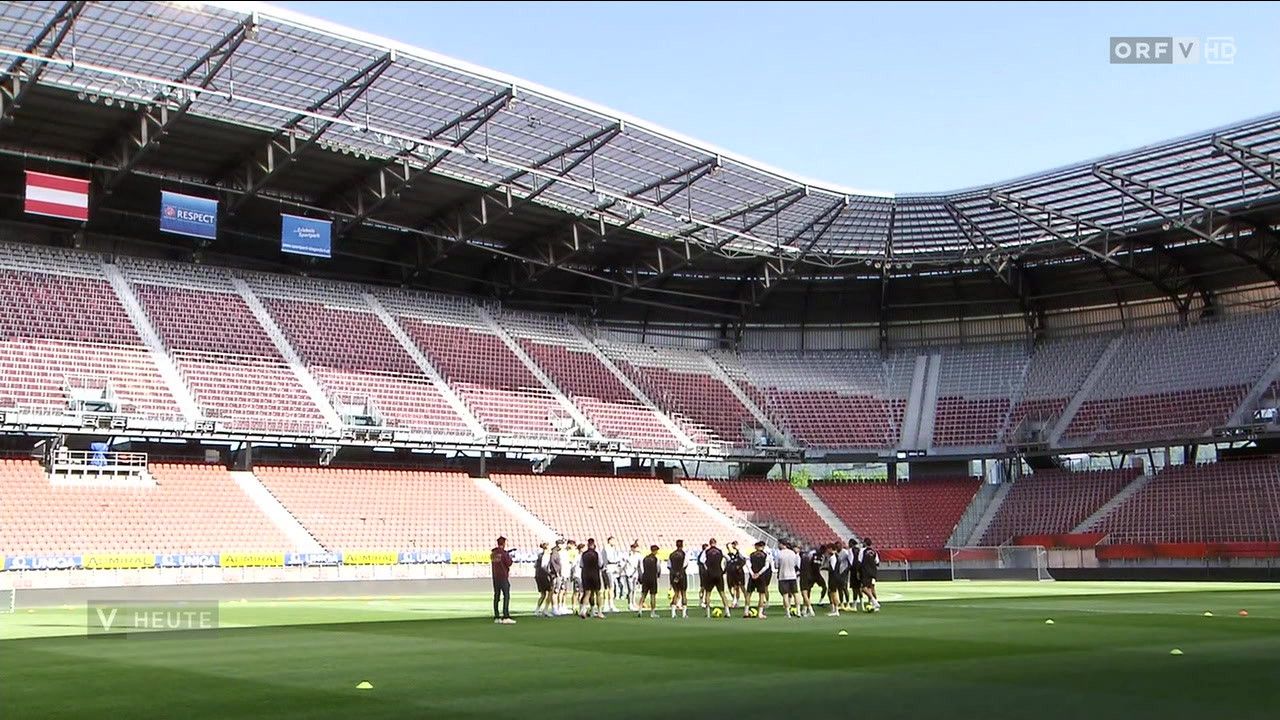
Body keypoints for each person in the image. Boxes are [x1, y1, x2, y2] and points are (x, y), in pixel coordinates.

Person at [701, 538, 730, 618]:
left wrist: (707, 568)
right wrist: (724, 570)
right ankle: (727, 612)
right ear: (715, 543)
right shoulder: (720, 551)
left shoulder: (706, 551)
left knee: (708, 593)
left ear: (710, 543)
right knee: (722, 593)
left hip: (710, 574)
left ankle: (708, 613)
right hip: (719, 573)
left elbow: (702, 560)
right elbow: (728, 558)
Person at [490, 536, 516, 624]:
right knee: (506, 596)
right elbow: (509, 563)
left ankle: (496, 616)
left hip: (495, 577)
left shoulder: (493, 553)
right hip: (503, 577)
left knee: (496, 596)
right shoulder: (504, 553)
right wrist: (509, 556)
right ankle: (505, 616)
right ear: (504, 543)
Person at [744, 540, 773, 619]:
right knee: (761, 595)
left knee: (749, 593)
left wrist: (752, 573)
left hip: (752, 576)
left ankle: (746, 611)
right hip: (761, 577)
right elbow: (766, 566)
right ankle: (760, 613)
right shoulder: (766, 555)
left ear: (756, 547)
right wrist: (758, 574)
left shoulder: (751, 555)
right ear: (762, 547)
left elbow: (748, 565)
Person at [579, 538, 605, 619]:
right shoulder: (597, 554)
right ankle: (599, 612)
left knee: (587, 593)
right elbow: (601, 564)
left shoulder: (583, 554)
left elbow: (581, 565)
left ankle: (583, 610)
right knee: (598, 593)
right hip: (595, 574)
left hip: (586, 575)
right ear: (594, 545)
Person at [776, 541, 801, 618]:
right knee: (795, 594)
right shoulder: (792, 553)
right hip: (792, 576)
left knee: (785, 595)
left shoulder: (779, 553)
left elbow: (777, 565)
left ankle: (788, 612)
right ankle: (798, 611)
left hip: (783, 576)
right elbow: (797, 564)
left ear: (782, 544)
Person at [637, 544, 662, 618]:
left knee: (643, 594)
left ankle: (640, 610)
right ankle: (652, 612)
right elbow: (658, 569)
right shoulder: (656, 559)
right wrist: (658, 575)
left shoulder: (645, 558)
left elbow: (642, 568)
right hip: (652, 578)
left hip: (645, 577)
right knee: (653, 595)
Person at [826, 542, 848, 617]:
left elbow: (833, 569)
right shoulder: (837, 556)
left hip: (834, 578)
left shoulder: (833, 557)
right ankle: (835, 609)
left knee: (833, 593)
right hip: (836, 577)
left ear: (830, 549)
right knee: (832, 593)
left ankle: (836, 610)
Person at [668, 539, 688, 618]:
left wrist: (675, 574)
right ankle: (684, 614)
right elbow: (685, 565)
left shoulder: (671, 554)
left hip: (673, 575)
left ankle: (673, 613)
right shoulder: (684, 554)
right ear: (682, 545)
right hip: (682, 575)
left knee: (676, 593)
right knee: (683, 593)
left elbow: (669, 566)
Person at [603, 536, 624, 613]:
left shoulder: (614, 549)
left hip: (612, 568)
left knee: (609, 587)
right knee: (610, 587)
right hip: (609, 568)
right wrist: (617, 560)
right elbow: (609, 559)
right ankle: (609, 605)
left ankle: (608, 604)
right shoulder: (606, 549)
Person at [860, 537, 881, 612]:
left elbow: (859, 561)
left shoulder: (862, 551)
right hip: (873, 572)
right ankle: (874, 605)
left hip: (865, 572)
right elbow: (877, 562)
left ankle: (874, 602)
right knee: (871, 588)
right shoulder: (874, 552)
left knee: (864, 588)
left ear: (865, 543)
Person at [533, 542, 553, 617]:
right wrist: (549, 573)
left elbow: (535, 566)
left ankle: (537, 610)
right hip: (544, 576)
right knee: (550, 591)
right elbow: (544, 567)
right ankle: (545, 610)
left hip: (538, 575)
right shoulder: (546, 556)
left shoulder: (539, 555)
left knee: (543, 594)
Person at [725, 541, 746, 609]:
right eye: (727, 547)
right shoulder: (728, 555)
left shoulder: (739, 554)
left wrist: (739, 567)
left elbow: (744, 560)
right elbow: (727, 564)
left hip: (739, 574)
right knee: (732, 588)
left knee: (741, 587)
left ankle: (745, 600)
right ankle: (736, 601)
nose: (729, 548)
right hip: (731, 574)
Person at [621, 541, 642, 610]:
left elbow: (639, 565)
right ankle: (629, 603)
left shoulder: (638, 555)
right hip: (629, 573)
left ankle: (633, 602)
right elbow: (624, 564)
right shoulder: (627, 555)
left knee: (634, 589)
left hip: (635, 574)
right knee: (630, 589)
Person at [552, 538, 570, 615]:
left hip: (565, 573)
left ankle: (561, 606)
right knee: (556, 591)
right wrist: (557, 573)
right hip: (559, 574)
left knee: (563, 590)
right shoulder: (556, 553)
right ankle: (555, 608)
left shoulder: (565, 552)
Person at [696, 543, 710, 609]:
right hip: (704, 573)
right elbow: (702, 562)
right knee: (704, 587)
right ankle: (702, 601)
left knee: (703, 587)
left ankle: (703, 601)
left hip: (702, 573)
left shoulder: (700, 554)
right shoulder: (703, 554)